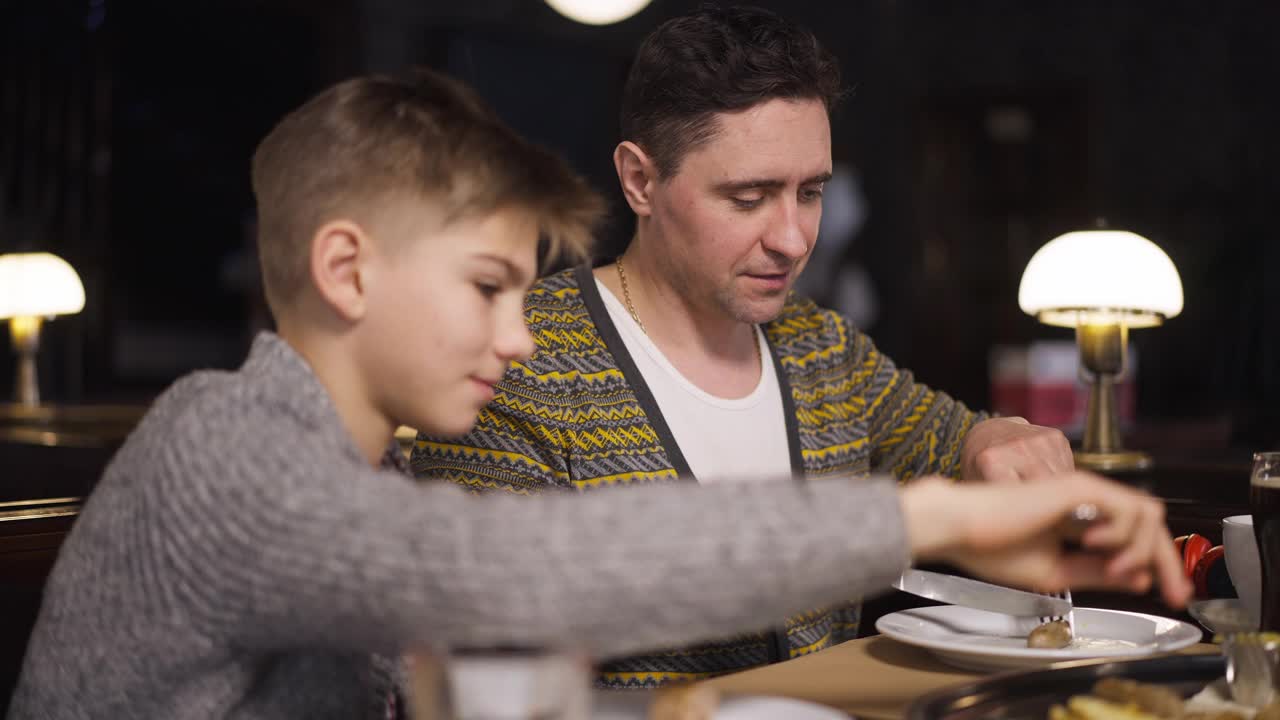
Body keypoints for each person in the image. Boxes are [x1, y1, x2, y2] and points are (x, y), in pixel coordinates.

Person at [7, 67, 1188, 719]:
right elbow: (515, 575)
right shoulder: (222, 450)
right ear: (345, 269)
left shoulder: (334, 461)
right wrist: (941, 516)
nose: (521, 339)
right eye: (486, 288)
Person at [411, 6, 1090, 688]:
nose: (793, 239)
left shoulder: (821, 348)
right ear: (640, 181)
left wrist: (994, 439)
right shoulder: (514, 357)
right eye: (749, 197)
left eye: (811, 192)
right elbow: (491, 637)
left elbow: (946, 440)